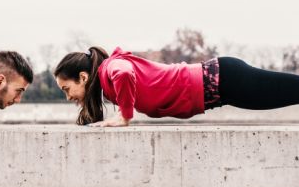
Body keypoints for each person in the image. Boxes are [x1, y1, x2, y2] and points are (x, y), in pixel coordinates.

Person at [54, 46, 299, 127]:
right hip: (221, 91)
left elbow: (126, 74)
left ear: (83, 77)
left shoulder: (109, 68)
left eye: (66, 89)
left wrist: (125, 116)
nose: (67, 97)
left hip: (223, 79)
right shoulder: (108, 84)